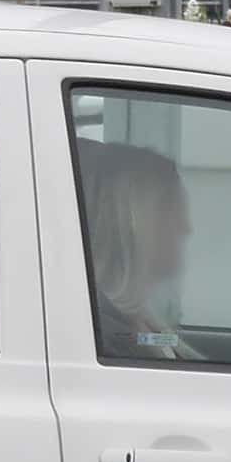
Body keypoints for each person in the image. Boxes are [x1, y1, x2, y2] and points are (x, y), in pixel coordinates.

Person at [77, 142, 199, 360]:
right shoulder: (108, 341)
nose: (187, 227)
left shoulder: (136, 319)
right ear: (133, 224)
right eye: (172, 210)